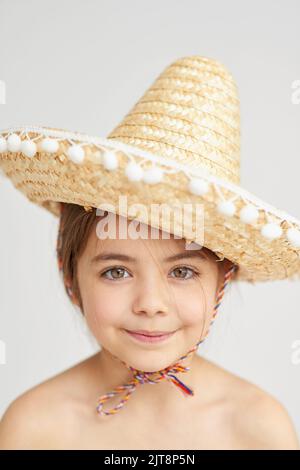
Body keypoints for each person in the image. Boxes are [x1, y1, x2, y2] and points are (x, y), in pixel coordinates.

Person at [0, 55, 299, 450]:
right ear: (70, 275)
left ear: (222, 279)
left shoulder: (259, 430)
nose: (151, 304)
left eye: (183, 272)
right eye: (116, 272)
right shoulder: (33, 429)